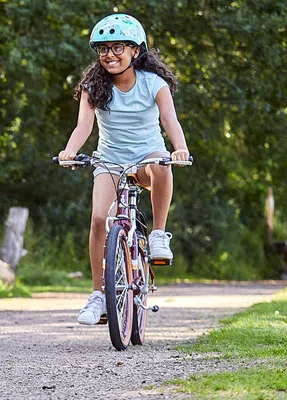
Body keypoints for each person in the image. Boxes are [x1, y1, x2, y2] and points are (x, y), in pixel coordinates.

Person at [57, 14, 190, 325]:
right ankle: (98, 296)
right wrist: (70, 151)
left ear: (135, 50)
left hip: (147, 157)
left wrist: (179, 148)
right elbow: (83, 126)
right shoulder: (94, 87)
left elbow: (170, 121)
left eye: (118, 47)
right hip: (110, 160)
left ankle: (158, 234)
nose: (109, 55)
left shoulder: (154, 84)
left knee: (161, 165)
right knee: (99, 219)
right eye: (103, 49)